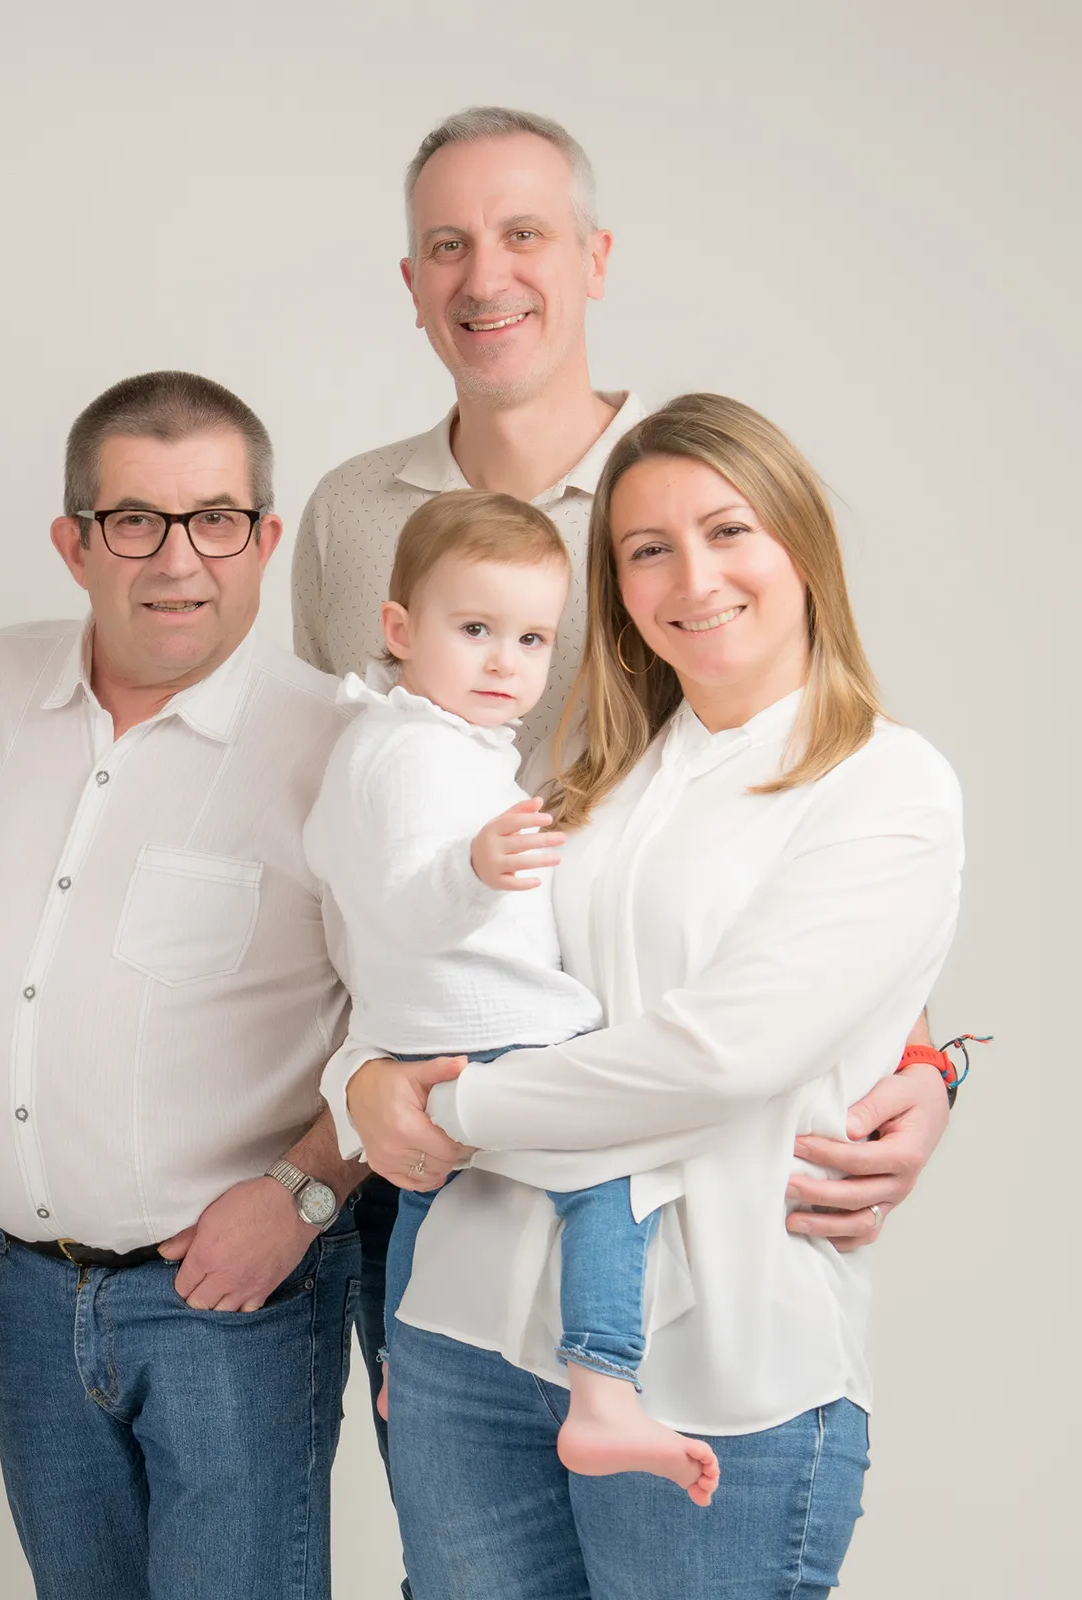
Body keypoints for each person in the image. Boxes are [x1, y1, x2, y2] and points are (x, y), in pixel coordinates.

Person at [292, 104, 953, 1458]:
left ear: (596, 256)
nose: (487, 276)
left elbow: (814, 794)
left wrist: (929, 1055)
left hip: (647, 1123)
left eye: (525, 234)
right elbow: (339, 841)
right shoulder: (354, 516)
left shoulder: (688, 499)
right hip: (421, 1108)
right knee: (455, 1510)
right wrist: (349, 1102)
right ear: (411, 283)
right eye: (448, 245)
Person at [331, 394, 964, 1596]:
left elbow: (716, 1055)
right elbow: (424, 959)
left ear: (800, 542)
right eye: (647, 549)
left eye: (728, 531)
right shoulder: (577, 772)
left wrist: (448, 1108)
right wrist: (357, 1081)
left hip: (716, 1368)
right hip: (468, 1336)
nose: (694, 577)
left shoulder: (887, 786)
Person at [0, 370, 363, 1600]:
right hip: (25, 1288)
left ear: (265, 539)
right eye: (135, 521)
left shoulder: (336, 746)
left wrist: (304, 1195)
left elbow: (418, 1025)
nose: (179, 559)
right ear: (74, 543)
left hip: (232, 1303)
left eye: (215, 518)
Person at [302, 488, 715, 1505]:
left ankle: (403, 1364)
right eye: (475, 630)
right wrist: (473, 869)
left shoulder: (407, 738)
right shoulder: (416, 751)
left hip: (432, 1038)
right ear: (400, 629)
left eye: (531, 639)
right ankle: (605, 1386)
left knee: (428, 1204)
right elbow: (402, 904)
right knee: (617, 1171)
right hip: (497, 1033)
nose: (505, 663)